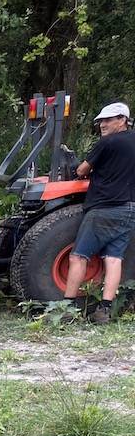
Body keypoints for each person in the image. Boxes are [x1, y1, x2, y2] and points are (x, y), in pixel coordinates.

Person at [62, 101, 135, 324]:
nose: (102, 124)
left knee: (78, 256)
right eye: (100, 121)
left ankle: (67, 310)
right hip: (130, 208)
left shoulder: (108, 142)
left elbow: (82, 169)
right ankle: (104, 309)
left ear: (122, 120)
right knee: (113, 259)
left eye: (107, 120)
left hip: (105, 207)